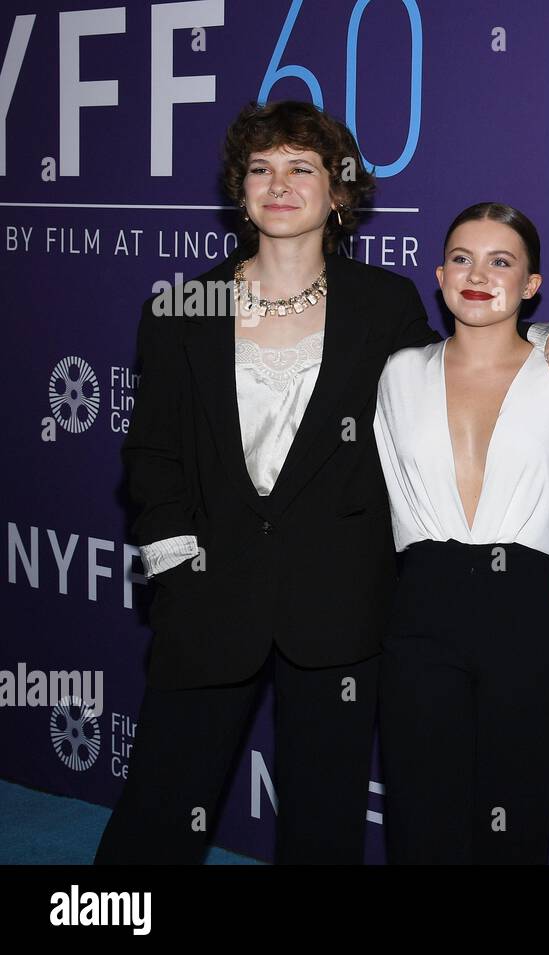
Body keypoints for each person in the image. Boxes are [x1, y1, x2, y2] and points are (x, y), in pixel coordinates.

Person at [95, 100, 437, 864]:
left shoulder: (385, 307)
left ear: (339, 193)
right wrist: (179, 567)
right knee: (158, 808)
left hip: (340, 603)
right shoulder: (182, 307)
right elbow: (151, 454)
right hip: (208, 598)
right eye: (260, 169)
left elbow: (443, 407)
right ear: (239, 189)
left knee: (323, 821)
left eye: (300, 169)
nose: (278, 185)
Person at [373, 203, 549, 864]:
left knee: (512, 824)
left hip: (534, 617)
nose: (478, 274)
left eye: (501, 261)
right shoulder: (398, 374)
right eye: (462, 258)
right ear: (438, 274)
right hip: (421, 613)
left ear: (532, 285)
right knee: (419, 818)